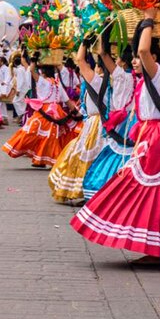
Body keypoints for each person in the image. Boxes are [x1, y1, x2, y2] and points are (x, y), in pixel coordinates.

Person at [70, 11, 160, 261]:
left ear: (153, 59)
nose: (135, 60)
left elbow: (146, 52)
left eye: (139, 57)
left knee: (156, 193)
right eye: (134, 57)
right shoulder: (146, 81)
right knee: (149, 192)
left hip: (157, 139)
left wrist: (147, 19)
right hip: (149, 136)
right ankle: (156, 246)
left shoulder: (156, 73)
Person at [81, 41, 138, 201]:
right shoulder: (140, 77)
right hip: (134, 122)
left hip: (120, 122)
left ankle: (111, 191)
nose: (116, 62)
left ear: (123, 62)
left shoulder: (120, 76)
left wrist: (104, 34)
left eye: (118, 59)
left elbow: (103, 53)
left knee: (114, 156)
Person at [49, 42, 104, 204]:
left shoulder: (97, 81)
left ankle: (88, 192)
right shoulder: (112, 81)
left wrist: (84, 42)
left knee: (85, 157)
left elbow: (80, 60)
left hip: (97, 124)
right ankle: (89, 192)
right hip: (98, 123)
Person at [3, 58, 77, 168]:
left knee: (33, 134)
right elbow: (67, 101)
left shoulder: (43, 82)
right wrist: (76, 113)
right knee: (51, 137)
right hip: (57, 112)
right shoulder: (57, 84)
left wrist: (33, 60)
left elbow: (31, 71)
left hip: (44, 112)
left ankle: (47, 159)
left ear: (43, 72)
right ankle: (43, 159)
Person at [11, 52, 32, 122]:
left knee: (15, 101)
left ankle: (22, 114)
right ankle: (22, 117)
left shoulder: (20, 69)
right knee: (22, 102)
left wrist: (18, 90)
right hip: (25, 88)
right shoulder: (23, 68)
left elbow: (21, 80)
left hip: (22, 89)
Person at [0, 56, 13, 124]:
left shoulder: (6, 68)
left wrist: (5, 83)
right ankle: (4, 118)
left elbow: (8, 77)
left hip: (2, 87)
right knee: (1, 103)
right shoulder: (1, 68)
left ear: (2, 62)